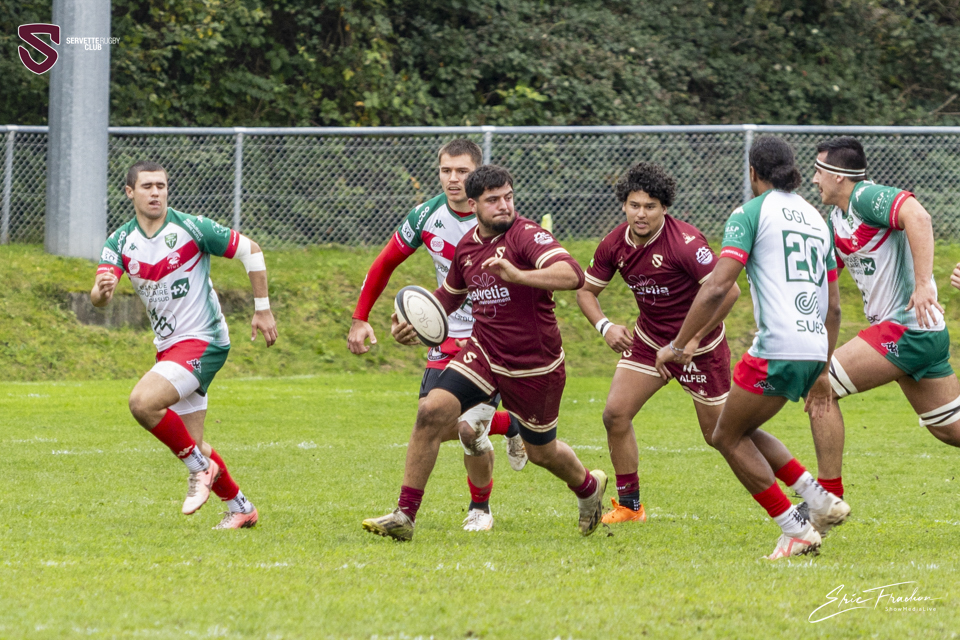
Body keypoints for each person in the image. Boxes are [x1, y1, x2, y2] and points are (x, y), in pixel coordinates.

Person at [362, 164, 607, 541]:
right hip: (484, 353)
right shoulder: (467, 247)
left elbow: (572, 274)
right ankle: (404, 516)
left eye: (508, 197)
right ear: (473, 204)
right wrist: (413, 321)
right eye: (493, 200)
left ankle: (588, 487)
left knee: (541, 453)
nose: (504, 205)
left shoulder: (526, 235)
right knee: (430, 412)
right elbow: (448, 297)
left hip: (534, 363)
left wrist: (520, 275)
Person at [656, 136, 849, 559]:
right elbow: (834, 307)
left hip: (778, 345)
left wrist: (678, 343)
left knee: (725, 436)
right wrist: (822, 369)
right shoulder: (818, 221)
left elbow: (717, 286)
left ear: (752, 173)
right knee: (741, 427)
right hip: (814, 346)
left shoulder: (750, 213)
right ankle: (817, 499)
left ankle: (795, 528)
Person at [348, 139, 527, 532]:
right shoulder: (426, 215)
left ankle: (480, 509)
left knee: (467, 428)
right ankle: (508, 425)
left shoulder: (500, 220)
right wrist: (363, 318)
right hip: (446, 335)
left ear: (478, 174)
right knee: (430, 420)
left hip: (491, 338)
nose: (453, 179)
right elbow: (384, 263)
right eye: (446, 170)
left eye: (462, 171)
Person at [92, 161, 277, 529]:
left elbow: (252, 251)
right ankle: (241, 507)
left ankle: (199, 469)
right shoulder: (119, 241)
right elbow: (98, 297)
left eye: (161, 185)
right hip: (169, 347)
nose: (155, 192)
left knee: (142, 402)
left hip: (203, 340)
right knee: (193, 443)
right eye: (147, 186)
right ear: (130, 192)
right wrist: (102, 290)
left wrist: (263, 309)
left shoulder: (192, 227)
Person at [804, 136, 960, 518]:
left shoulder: (864, 197)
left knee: (820, 385)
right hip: (919, 334)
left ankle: (826, 500)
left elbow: (918, 217)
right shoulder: (837, 218)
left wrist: (923, 285)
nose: (814, 179)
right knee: (950, 429)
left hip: (905, 329)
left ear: (839, 176)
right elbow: (828, 278)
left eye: (819, 171)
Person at [576, 162, 739, 524]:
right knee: (615, 414)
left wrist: (691, 340)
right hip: (650, 342)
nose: (641, 214)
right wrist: (605, 326)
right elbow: (585, 292)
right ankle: (630, 507)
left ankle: (793, 489)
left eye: (650, 206)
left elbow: (729, 292)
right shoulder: (614, 243)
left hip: (700, 349)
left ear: (664, 207)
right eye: (634, 205)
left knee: (721, 436)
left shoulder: (686, 244)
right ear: (624, 205)